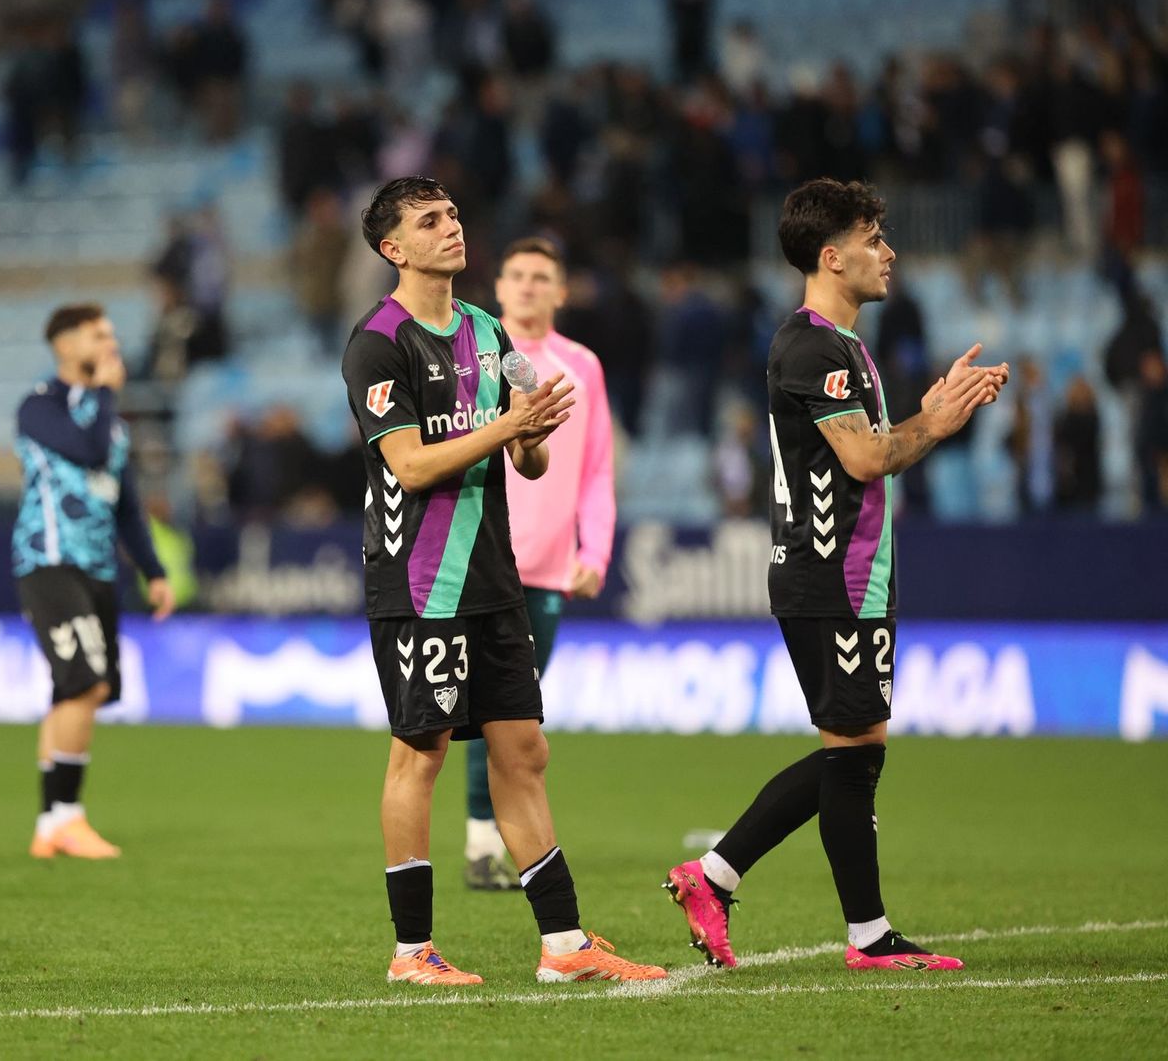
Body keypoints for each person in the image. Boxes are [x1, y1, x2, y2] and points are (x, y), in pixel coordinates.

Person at [663, 178, 1008, 973]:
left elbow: (863, 449)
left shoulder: (839, 346)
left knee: (855, 751)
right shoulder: (815, 346)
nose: (888, 251)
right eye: (873, 236)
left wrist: (924, 416)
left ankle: (733, 882)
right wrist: (939, 421)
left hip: (850, 574)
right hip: (833, 576)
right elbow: (864, 457)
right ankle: (839, 923)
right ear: (832, 255)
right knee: (853, 752)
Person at [341, 176, 665, 986]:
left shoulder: (489, 331)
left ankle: (565, 943)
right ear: (394, 248)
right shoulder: (378, 343)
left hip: (493, 576)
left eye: (453, 212)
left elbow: (530, 454)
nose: (451, 227)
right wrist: (507, 428)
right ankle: (411, 951)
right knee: (421, 753)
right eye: (429, 221)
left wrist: (530, 435)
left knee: (524, 751)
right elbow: (410, 464)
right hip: (420, 584)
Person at [460, 238, 614, 891]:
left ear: (560, 291)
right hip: (479, 559)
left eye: (540, 277)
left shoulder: (582, 366)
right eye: (517, 275)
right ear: (498, 287)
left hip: (548, 570)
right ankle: (481, 842)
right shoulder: (474, 360)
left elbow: (596, 469)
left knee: (514, 713)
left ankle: (493, 839)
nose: (526, 286)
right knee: (483, 709)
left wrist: (596, 550)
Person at [14, 303, 174, 859]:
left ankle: (46, 825)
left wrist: (153, 570)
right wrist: (106, 393)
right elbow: (90, 450)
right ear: (64, 343)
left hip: (100, 568)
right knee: (87, 684)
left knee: (69, 691)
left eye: (112, 333)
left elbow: (126, 502)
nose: (111, 343)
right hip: (50, 560)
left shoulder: (109, 417)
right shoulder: (39, 406)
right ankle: (67, 816)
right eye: (98, 335)